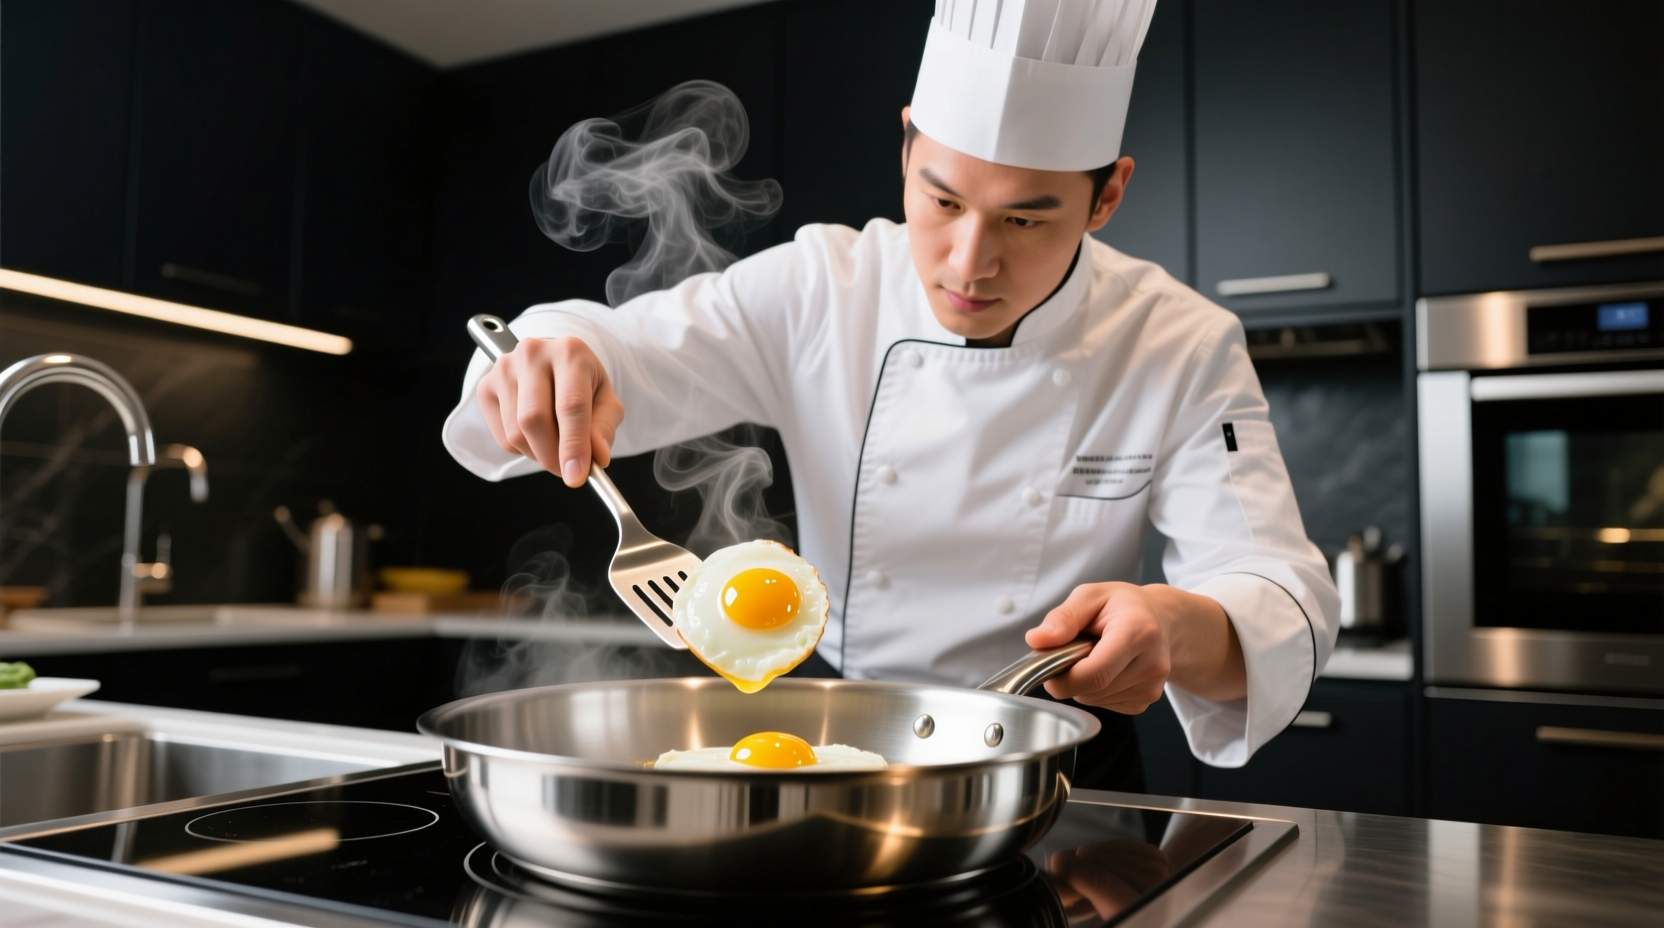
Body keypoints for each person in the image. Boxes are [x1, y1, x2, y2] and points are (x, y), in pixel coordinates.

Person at [443, 0, 1338, 788]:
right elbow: (617, 345)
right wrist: (555, 356)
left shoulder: (1179, 342)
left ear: (1107, 197)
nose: (970, 264)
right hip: (841, 742)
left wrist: (1173, 626)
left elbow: (1276, 588)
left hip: (1053, 761)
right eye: (941, 202)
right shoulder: (820, 287)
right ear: (906, 143)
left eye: (1025, 219)